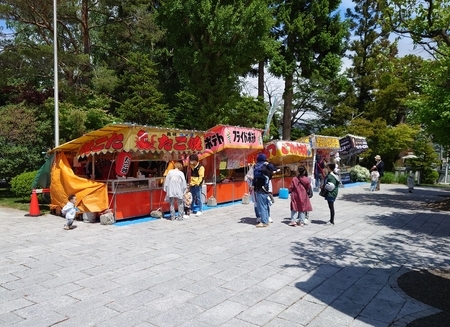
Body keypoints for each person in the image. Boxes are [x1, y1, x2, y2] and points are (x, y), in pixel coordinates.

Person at [252, 153, 273, 228]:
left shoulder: (258, 166)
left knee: (262, 206)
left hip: (260, 188)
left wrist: (253, 186)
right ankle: (266, 219)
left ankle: (264, 222)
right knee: (265, 204)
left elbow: (255, 178)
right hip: (266, 188)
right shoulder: (267, 166)